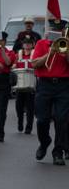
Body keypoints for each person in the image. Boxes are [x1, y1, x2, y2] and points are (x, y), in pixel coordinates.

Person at [30, 19, 69, 166]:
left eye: (59, 30)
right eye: (54, 29)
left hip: (63, 86)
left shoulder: (67, 44)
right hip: (45, 85)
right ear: (48, 30)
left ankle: (58, 152)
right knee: (42, 120)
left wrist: (66, 53)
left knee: (61, 120)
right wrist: (50, 53)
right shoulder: (41, 44)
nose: (56, 32)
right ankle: (44, 142)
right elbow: (34, 64)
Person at [0, 31, 14, 140]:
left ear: (4, 42)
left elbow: (8, 63)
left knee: (1, 109)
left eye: (0, 41)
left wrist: (1, 50)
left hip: (3, 81)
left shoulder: (9, 52)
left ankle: (0, 133)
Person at [14, 35, 36, 133]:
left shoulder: (35, 54)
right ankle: (20, 122)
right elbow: (13, 65)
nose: (27, 45)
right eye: (25, 43)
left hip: (31, 85)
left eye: (29, 43)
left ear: (32, 45)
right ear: (23, 45)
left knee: (30, 107)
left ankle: (29, 127)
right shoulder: (18, 54)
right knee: (19, 106)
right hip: (20, 84)